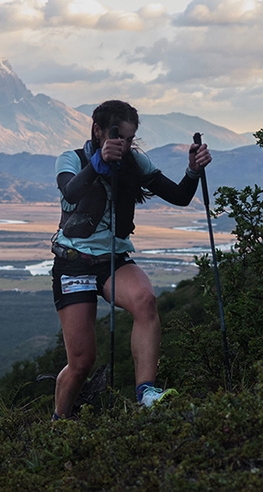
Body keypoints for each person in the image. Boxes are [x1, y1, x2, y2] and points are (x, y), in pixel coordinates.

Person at [50, 100, 212, 418]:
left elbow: (179, 197)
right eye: (118, 136)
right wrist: (98, 163)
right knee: (81, 363)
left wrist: (193, 171)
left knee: (145, 300)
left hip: (113, 259)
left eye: (129, 137)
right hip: (74, 263)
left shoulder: (135, 162)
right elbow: (70, 192)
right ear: (97, 131)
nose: (123, 144)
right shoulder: (71, 159)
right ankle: (59, 421)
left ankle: (146, 392)